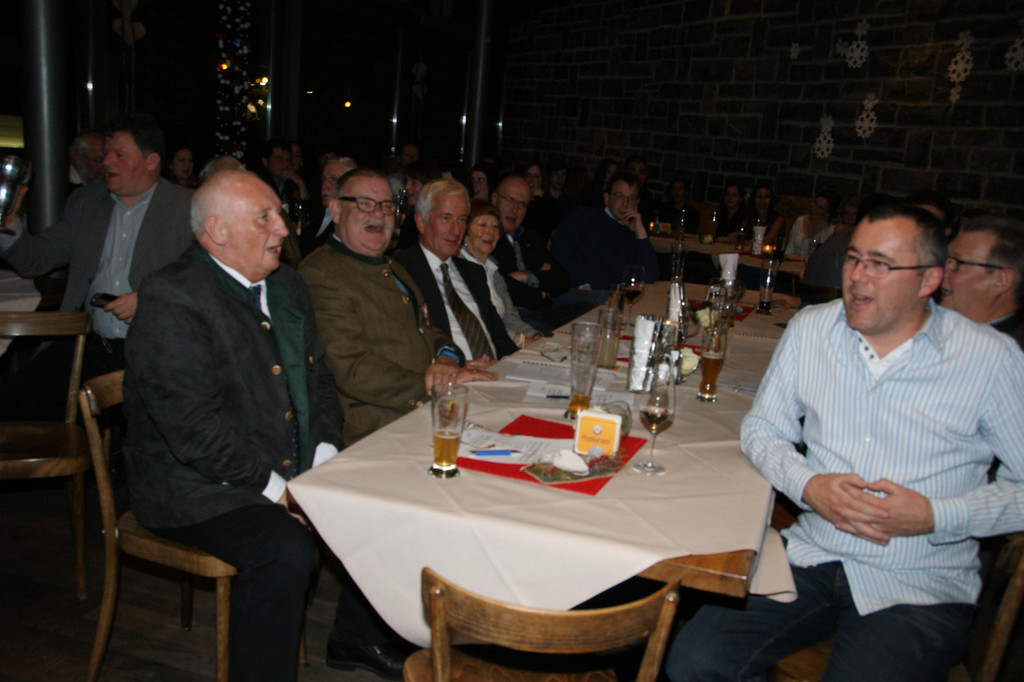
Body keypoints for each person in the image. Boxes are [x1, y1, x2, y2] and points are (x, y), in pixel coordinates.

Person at [665, 202, 1024, 681]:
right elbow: (762, 429)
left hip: (918, 581)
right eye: (854, 258)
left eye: (880, 264)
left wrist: (935, 516)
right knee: (693, 660)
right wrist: (808, 485)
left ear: (929, 280)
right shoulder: (813, 329)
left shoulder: (989, 359)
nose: (857, 276)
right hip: (813, 552)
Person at [123, 170, 345, 682]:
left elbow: (319, 381)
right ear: (217, 231)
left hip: (281, 464)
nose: (283, 228)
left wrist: (325, 461)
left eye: (278, 214)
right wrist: (281, 492)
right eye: (264, 217)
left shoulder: (286, 284)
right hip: (194, 487)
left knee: (385, 499)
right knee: (285, 551)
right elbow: (193, 431)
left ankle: (361, 640)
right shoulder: (173, 296)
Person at [0, 112, 194, 419]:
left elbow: (210, 277)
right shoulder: (87, 202)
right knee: (14, 404)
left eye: (119, 155)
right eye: (106, 154)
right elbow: (36, 259)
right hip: (90, 343)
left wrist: (153, 298)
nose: (107, 163)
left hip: (156, 349)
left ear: (151, 161)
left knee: (150, 426)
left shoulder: (187, 207)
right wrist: (9, 227)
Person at [299, 168, 496, 446]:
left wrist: (447, 359)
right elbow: (353, 369)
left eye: (387, 206)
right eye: (365, 204)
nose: (379, 214)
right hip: (381, 427)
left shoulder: (393, 267)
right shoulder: (321, 273)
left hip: (432, 410)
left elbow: (429, 330)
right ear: (336, 210)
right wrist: (437, 384)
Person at [394, 179, 516, 362]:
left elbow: (500, 338)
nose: (456, 230)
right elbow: (406, 345)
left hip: (495, 370)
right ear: (421, 222)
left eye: (461, 220)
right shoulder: (401, 272)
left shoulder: (473, 273)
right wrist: (462, 368)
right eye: (446, 218)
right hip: (448, 372)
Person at [490, 175, 581, 333]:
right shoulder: (488, 240)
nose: (515, 210)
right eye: (510, 200)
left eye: (522, 204)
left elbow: (562, 279)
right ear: (494, 199)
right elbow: (504, 288)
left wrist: (527, 276)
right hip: (517, 316)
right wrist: (540, 290)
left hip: (547, 309)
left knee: (589, 318)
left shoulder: (529, 237)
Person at [550, 171, 660, 290]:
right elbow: (558, 257)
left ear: (637, 203)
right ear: (607, 198)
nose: (625, 204)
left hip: (614, 296)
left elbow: (650, 275)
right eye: (619, 196)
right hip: (579, 293)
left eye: (631, 198)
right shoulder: (583, 217)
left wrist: (641, 234)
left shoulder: (633, 233)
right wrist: (581, 285)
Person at [459, 199, 542, 347]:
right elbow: (479, 322)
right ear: (465, 232)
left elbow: (511, 319)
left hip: (505, 342)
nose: (490, 231)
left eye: (495, 226)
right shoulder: (458, 268)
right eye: (482, 225)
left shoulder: (494, 271)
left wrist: (536, 337)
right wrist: (519, 340)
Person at [940, 213, 1024, 348]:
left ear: (1001, 280)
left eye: (955, 262)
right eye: (945, 259)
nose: (939, 272)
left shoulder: (1011, 355)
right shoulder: (931, 327)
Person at [801, 193, 866, 289]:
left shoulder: (862, 238)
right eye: (847, 214)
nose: (850, 218)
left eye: (854, 214)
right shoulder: (836, 233)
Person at [299, 155, 357, 256]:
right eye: (323, 179)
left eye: (333, 179)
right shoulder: (313, 210)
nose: (323, 186)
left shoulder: (353, 222)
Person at [784, 190, 837, 258]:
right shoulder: (800, 221)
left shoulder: (830, 231)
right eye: (814, 203)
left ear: (827, 213)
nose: (814, 208)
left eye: (820, 208)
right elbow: (789, 249)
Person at [259, 138, 309, 205]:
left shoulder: (289, 185)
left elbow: (304, 206)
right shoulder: (259, 184)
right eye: (279, 159)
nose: (285, 164)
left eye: (288, 160)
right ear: (265, 161)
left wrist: (300, 183)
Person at [750, 182, 785, 247]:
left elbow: (765, 242)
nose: (762, 200)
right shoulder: (750, 216)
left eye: (766, 197)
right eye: (759, 197)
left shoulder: (778, 219)